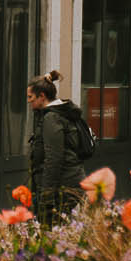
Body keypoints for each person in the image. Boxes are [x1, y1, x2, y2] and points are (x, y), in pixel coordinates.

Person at [26, 71, 88, 216]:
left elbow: (54, 158)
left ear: (42, 96)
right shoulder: (61, 113)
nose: (29, 101)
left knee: (51, 231)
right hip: (68, 183)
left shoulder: (52, 118)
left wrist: (46, 195)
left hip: (62, 186)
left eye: (30, 97)